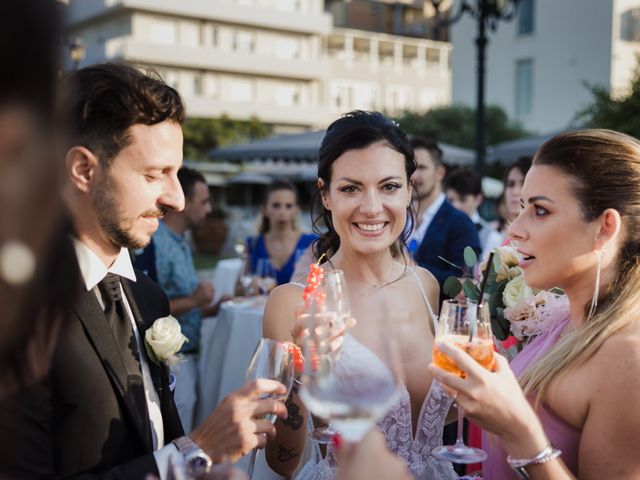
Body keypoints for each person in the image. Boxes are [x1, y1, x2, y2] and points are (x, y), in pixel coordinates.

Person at [0, 63, 287, 479]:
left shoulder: (148, 297)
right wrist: (195, 452)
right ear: (83, 170)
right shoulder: (19, 312)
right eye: (155, 174)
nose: (177, 200)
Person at [429, 129, 640, 478]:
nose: (514, 231)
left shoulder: (628, 357)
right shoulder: (565, 321)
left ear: (604, 227)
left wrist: (518, 432)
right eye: (523, 207)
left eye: (540, 210)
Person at [262, 111, 457, 479]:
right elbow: (282, 461)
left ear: (409, 190)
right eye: (351, 188)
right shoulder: (294, 302)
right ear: (326, 195)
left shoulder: (426, 284)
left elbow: (435, 416)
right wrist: (301, 375)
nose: (371, 207)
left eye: (389, 187)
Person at [151, 166, 228, 433]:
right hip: (172, 362)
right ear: (182, 201)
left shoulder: (180, 241)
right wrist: (195, 300)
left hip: (188, 357)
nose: (208, 210)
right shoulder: (155, 243)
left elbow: (180, 306)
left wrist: (213, 308)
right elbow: (148, 311)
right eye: (204, 201)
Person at [408, 136, 481, 288]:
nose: (414, 176)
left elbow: (464, 284)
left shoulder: (461, 223)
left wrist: (410, 268)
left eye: (421, 168)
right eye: (410, 168)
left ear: (440, 172)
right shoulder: (398, 216)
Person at [246, 179, 316, 286]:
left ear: (296, 210)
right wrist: (250, 285)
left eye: (288, 206)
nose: (282, 212)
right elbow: (240, 287)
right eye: (276, 205)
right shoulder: (253, 244)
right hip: (260, 302)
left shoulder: (311, 243)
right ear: (265, 209)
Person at [445, 167, 503, 259]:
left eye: (462, 200)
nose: (455, 206)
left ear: (478, 199)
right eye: (450, 200)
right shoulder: (438, 227)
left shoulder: (492, 237)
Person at [499, 156, 532, 234]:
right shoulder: (491, 236)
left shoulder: (547, 237)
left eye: (523, 183)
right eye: (510, 184)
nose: (515, 192)